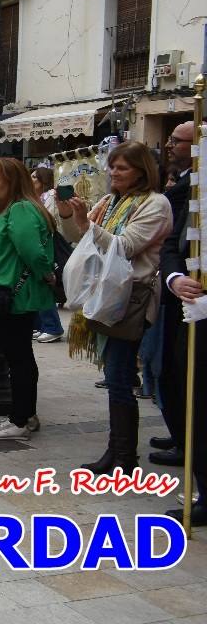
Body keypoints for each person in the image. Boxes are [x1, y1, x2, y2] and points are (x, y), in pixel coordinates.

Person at [57, 142, 170, 472]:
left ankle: (123, 457)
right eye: (112, 167)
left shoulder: (156, 204)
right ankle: (117, 452)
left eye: (121, 168)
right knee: (116, 376)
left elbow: (124, 246)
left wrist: (87, 225)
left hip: (131, 297)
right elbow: (78, 239)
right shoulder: (109, 201)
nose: (113, 173)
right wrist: (70, 215)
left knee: (120, 376)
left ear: (141, 170)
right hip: (104, 294)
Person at [0, 158, 58, 442]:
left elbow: (32, 251)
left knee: (19, 358)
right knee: (20, 356)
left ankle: (20, 419)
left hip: (13, 296)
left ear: (13, 182)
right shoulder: (19, 208)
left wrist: (46, 273)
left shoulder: (22, 209)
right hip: (14, 295)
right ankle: (24, 414)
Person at [159, 123, 207, 525]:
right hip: (193, 313)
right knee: (193, 397)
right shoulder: (193, 195)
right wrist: (176, 279)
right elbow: (173, 248)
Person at [30, 167, 65, 343]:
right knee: (37, 283)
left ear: (43, 181)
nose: (31, 179)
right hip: (42, 243)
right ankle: (42, 325)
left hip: (47, 245)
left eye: (35, 177)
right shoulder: (37, 198)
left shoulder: (50, 197)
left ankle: (52, 326)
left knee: (44, 284)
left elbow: (48, 221)